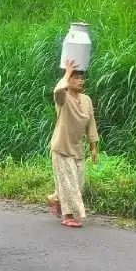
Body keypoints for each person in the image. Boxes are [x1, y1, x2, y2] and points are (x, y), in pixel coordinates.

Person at [47, 58, 98, 228]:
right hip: (61, 147)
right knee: (69, 185)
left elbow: (91, 124)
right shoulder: (63, 98)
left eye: (81, 78)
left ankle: (54, 199)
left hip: (77, 148)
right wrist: (67, 72)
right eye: (76, 78)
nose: (80, 81)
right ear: (68, 80)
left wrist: (93, 147)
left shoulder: (86, 100)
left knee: (78, 183)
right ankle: (68, 216)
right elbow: (57, 91)